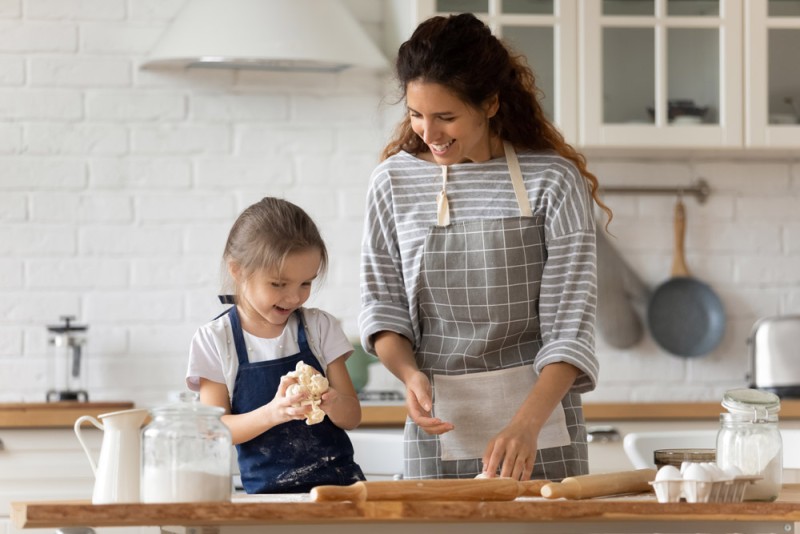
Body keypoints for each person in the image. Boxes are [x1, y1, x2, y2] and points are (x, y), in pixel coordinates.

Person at [359, 13, 611, 482]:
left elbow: (569, 328)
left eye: (446, 117)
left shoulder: (552, 181)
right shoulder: (393, 181)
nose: (428, 134)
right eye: (416, 114)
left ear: (490, 103)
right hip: (439, 426)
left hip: (541, 430)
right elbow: (382, 307)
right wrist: (409, 375)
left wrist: (525, 426)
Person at [187, 197, 365, 494]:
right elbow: (214, 431)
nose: (294, 298)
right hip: (268, 500)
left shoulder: (320, 328)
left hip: (340, 492)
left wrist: (331, 402)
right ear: (238, 271)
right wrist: (274, 412)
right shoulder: (216, 340)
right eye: (279, 284)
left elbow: (353, 416)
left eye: (306, 283)